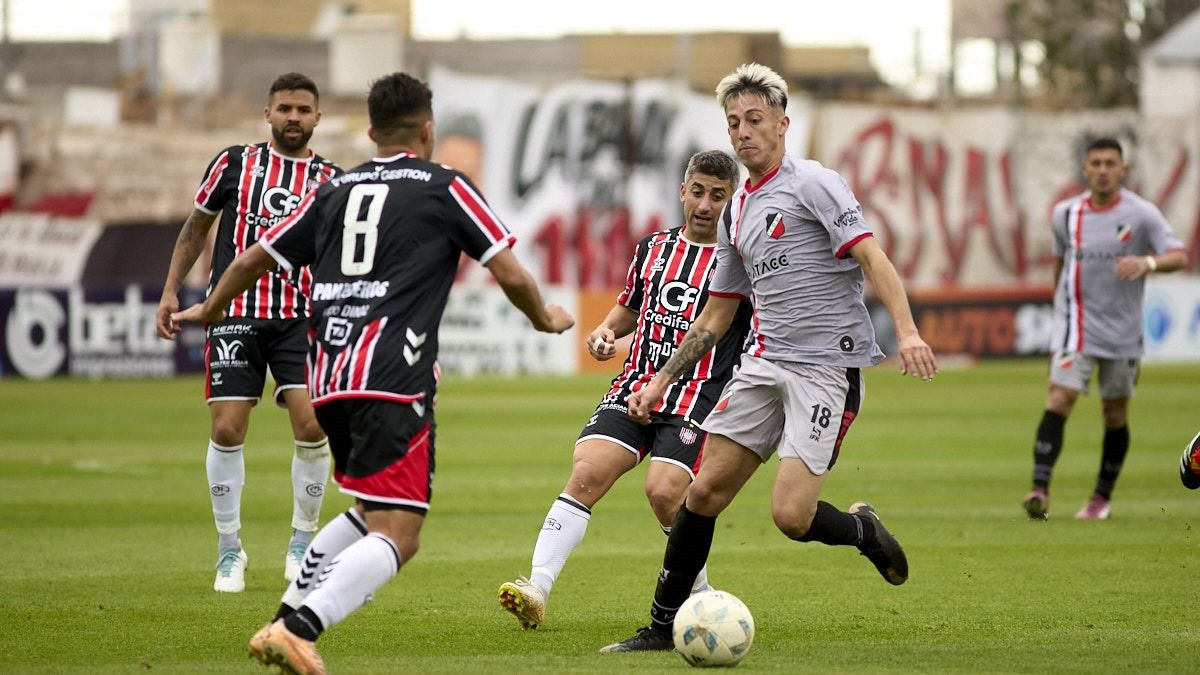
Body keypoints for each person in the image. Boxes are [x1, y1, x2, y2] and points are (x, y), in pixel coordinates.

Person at [172, 71, 573, 675]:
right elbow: (511, 273)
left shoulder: (335, 190)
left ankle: (282, 617)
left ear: (370, 131)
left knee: (366, 513)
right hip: (393, 375)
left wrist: (213, 304)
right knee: (401, 534)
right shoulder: (444, 187)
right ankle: (303, 629)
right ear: (428, 129)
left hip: (328, 375)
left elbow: (254, 256)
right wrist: (545, 318)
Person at [600, 62, 939, 653]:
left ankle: (862, 529)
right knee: (700, 496)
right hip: (762, 366)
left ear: (784, 124)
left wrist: (907, 333)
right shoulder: (736, 212)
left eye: (754, 120)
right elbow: (716, 317)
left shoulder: (814, 183)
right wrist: (660, 382)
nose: (742, 132)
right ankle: (661, 625)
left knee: (791, 517)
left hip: (825, 370)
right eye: (733, 123)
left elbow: (873, 260)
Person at [497, 150, 751, 630]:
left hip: (695, 397)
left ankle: (699, 599)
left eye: (718, 196)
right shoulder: (653, 247)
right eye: (697, 191)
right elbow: (631, 306)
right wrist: (605, 332)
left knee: (665, 493)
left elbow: (717, 327)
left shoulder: (737, 262)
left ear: (731, 200)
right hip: (634, 386)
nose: (704, 204)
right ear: (682, 190)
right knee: (587, 473)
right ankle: (536, 588)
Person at [156, 72, 342, 593]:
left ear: (317, 118)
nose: (293, 118)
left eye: (303, 110)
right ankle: (229, 549)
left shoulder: (332, 179)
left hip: (303, 317)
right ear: (267, 114)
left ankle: (302, 544)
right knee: (226, 430)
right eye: (284, 108)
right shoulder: (235, 163)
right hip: (234, 311)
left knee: (312, 425)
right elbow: (196, 227)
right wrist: (172, 290)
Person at [1021, 138, 1187, 521]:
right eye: (1095, 162)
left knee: (1114, 413)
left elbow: (1178, 255)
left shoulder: (1142, 214)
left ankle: (1100, 499)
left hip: (1123, 330)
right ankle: (1039, 490)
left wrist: (1147, 262)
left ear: (1122, 170)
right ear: (1084, 169)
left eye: (1110, 163)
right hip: (1075, 325)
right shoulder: (1066, 214)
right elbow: (1060, 265)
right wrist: (1058, 309)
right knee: (1060, 399)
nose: (1102, 169)